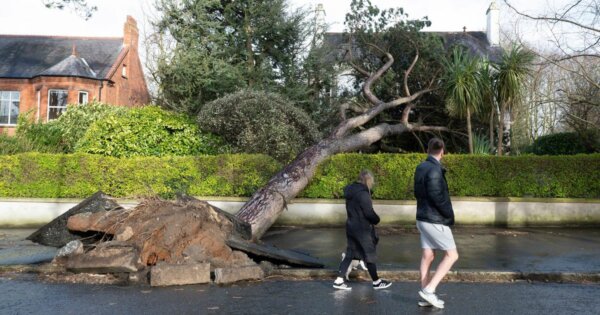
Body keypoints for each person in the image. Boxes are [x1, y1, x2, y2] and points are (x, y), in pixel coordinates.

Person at [414, 137, 459, 309]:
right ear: (442, 151)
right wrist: (449, 215)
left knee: (428, 256)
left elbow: (418, 193)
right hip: (434, 220)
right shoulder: (434, 170)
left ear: (428, 149)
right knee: (452, 255)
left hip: (422, 218)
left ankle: (425, 292)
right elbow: (437, 198)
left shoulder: (421, 167)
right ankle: (429, 290)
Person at [333, 170, 391, 290]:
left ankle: (339, 280)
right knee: (369, 254)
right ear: (368, 180)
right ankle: (376, 282)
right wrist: (377, 220)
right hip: (362, 229)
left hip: (351, 226)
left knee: (350, 254)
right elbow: (369, 213)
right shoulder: (363, 194)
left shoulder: (350, 191)